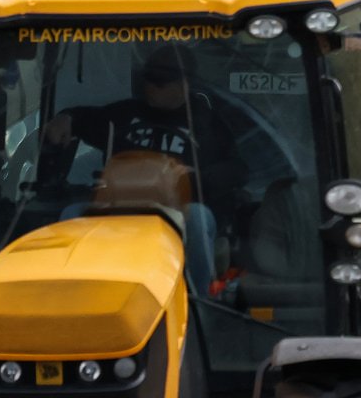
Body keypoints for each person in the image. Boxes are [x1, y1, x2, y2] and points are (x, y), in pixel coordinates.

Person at [45, 45, 239, 292]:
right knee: (70, 215)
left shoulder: (207, 123)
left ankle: (199, 302)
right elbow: (82, 119)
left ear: (184, 83)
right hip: (118, 209)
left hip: (180, 211)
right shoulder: (124, 115)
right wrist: (66, 118)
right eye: (147, 78)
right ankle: (68, 295)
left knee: (199, 219)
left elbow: (236, 169)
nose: (150, 86)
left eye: (160, 81)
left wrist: (194, 179)